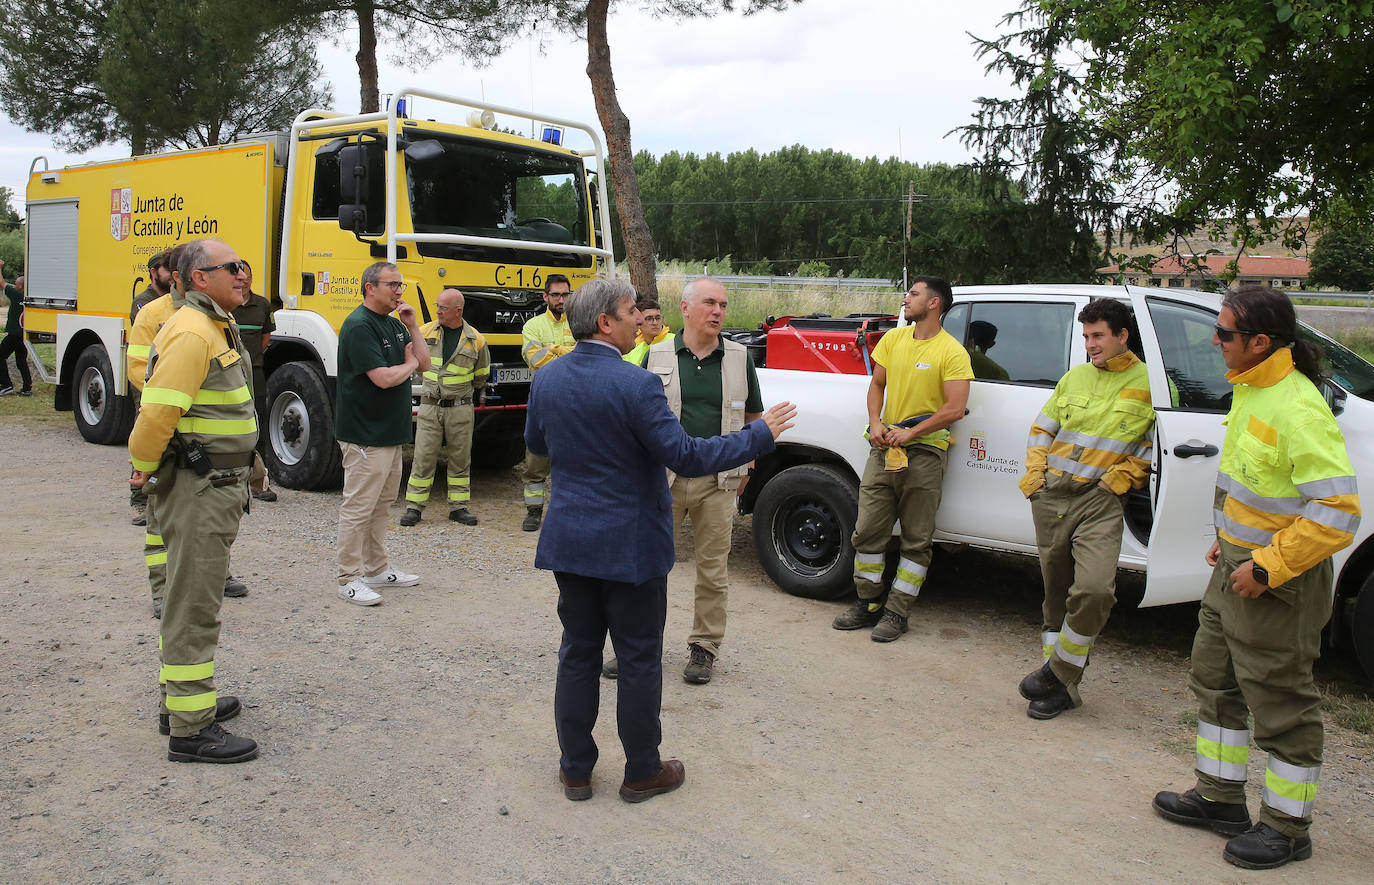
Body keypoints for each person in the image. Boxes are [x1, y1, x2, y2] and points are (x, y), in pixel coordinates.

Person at [524, 277, 796, 803]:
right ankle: (641, 771)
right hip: (631, 547)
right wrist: (759, 436)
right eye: (631, 312)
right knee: (639, 659)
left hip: (572, 542)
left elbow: (537, 443)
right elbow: (687, 457)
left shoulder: (549, 380)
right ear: (606, 322)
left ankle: (576, 770)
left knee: (577, 655)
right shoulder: (636, 384)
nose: (641, 320)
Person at [1152, 285, 1361, 870]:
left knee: (1280, 700)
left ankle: (1288, 829)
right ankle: (1219, 800)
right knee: (1215, 680)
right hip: (1237, 567)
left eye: (1223, 334)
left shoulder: (1297, 407)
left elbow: (1338, 513)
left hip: (1276, 580)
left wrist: (1267, 566)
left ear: (1259, 341)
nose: (1214, 342)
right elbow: (1257, 490)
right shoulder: (1251, 391)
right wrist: (1230, 546)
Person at [128, 238, 262, 763]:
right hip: (198, 489)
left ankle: (179, 705)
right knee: (193, 605)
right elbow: (156, 417)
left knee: (188, 598)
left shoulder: (211, 325)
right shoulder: (191, 331)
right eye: (232, 268)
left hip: (210, 487)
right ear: (200, 278)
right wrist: (142, 468)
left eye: (243, 267)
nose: (243, 275)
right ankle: (190, 729)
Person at [1016, 299, 1155, 719]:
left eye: (1097, 336)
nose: (1090, 345)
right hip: (1051, 497)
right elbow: (1043, 428)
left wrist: (1118, 480)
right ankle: (1062, 691)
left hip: (1099, 501)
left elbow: (1151, 449)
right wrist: (1036, 477)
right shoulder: (1074, 378)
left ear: (1122, 336)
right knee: (1055, 595)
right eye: (1086, 337)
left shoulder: (1152, 384)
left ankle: (1055, 672)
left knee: (1094, 590)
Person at [635, 277, 763, 685]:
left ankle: (704, 649)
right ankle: (638, 645)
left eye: (723, 305)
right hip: (662, 480)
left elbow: (753, 420)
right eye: (709, 303)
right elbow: (634, 418)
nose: (718, 312)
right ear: (685, 308)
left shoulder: (739, 358)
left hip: (718, 482)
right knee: (648, 567)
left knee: (713, 571)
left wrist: (749, 468)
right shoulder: (655, 355)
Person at [831, 276, 973, 641]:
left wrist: (912, 432)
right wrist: (876, 422)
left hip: (925, 452)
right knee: (867, 531)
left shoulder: (952, 352)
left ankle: (897, 612)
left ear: (934, 303)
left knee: (916, 538)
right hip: (884, 448)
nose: (905, 299)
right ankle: (868, 603)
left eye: (913, 294)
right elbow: (877, 385)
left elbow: (955, 408)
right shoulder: (893, 340)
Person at [127, 243, 248, 615]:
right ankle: (164, 589)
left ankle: (209, 575)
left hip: (204, 455)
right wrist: (174, 410)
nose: (242, 274)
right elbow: (144, 380)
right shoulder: (170, 320)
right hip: (176, 442)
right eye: (233, 268)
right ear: (186, 277)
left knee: (200, 540)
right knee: (161, 526)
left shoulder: (219, 321)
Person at [334, 261, 431, 606]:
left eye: (400, 285)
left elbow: (425, 363)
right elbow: (384, 378)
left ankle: (376, 568)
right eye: (392, 285)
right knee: (359, 507)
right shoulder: (359, 326)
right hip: (364, 434)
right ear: (369, 287)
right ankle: (348, 577)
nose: (399, 291)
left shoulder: (395, 324)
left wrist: (413, 326)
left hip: (390, 432)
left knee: (382, 505)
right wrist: (407, 366)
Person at [401, 288, 490, 526]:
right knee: (423, 457)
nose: (438, 311)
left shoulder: (476, 340)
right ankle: (414, 508)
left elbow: (481, 375)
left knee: (460, 459)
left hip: (460, 408)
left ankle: (459, 507)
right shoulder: (425, 331)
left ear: (458, 311)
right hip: (430, 406)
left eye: (443, 307)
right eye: (437, 305)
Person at [517, 274, 574, 531]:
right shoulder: (532, 325)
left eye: (565, 294)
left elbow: (588, 354)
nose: (561, 300)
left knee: (575, 457)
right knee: (536, 458)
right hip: (544, 399)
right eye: (556, 295)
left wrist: (553, 349)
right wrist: (569, 352)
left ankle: (569, 511)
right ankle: (533, 511)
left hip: (576, 400)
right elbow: (536, 360)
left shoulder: (580, 322)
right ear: (546, 297)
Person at [230, 260, 278, 502]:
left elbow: (265, 338)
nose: (244, 279)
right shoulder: (226, 305)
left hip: (255, 372)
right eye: (239, 275)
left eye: (248, 275)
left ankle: (260, 483)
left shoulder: (262, 304)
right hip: (228, 374)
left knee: (258, 423)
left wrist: (251, 360)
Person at [1, 263, 32, 396]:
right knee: (21, 361)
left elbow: (1, 282)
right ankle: (27, 388)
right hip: (24, 335)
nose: (14, 286)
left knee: (0, 356)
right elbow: (10, 285)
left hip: (14, 334)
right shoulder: (27, 296)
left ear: (21, 286)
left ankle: (6, 385)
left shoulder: (16, 294)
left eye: (16, 284)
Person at [623, 298, 671, 364]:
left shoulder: (674, 341)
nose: (655, 323)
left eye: (658, 318)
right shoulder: (631, 346)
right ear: (638, 321)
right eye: (649, 319)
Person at [130, 250, 172, 322]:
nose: (173, 274)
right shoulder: (143, 301)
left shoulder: (176, 298)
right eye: (168, 269)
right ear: (153, 272)